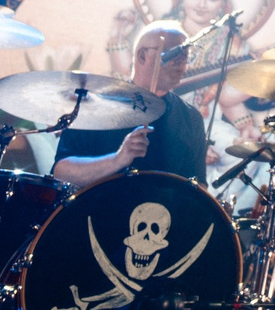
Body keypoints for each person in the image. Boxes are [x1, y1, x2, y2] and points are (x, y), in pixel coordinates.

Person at [52, 20, 209, 189]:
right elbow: (61, 173)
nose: (181, 62)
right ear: (142, 55)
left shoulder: (191, 118)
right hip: (99, 211)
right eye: (174, 53)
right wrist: (118, 159)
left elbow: (198, 184)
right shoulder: (96, 104)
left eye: (185, 55)